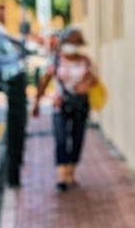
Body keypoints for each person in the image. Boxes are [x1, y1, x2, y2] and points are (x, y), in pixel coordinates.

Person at [40, 27, 97, 190]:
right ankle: (61, 175)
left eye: (75, 42)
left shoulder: (85, 61)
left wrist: (86, 84)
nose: (71, 45)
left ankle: (71, 171)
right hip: (60, 104)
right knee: (61, 138)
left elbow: (94, 80)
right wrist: (37, 102)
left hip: (80, 104)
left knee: (77, 137)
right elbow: (45, 79)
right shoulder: (57, 61)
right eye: (69, 42)